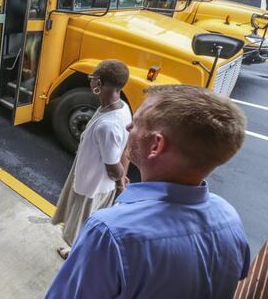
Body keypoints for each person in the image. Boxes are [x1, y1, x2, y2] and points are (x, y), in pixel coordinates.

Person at [45, 85, 250, 299]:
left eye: (136, 123)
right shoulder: (230, 219)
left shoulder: (110, 233)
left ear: (156, 145)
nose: (128, 126)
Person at [51, 59, 131, 259]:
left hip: (92, 186)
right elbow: (125, 150)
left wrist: (121, 183)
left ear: (99, 84)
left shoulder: (108, 125)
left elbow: (113, 166)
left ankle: (76, 258)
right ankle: (76, 253)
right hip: (91, 180)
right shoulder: (122, 109)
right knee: (85, 226)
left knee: (81, 226)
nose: (91, 81)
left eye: (92, 78)